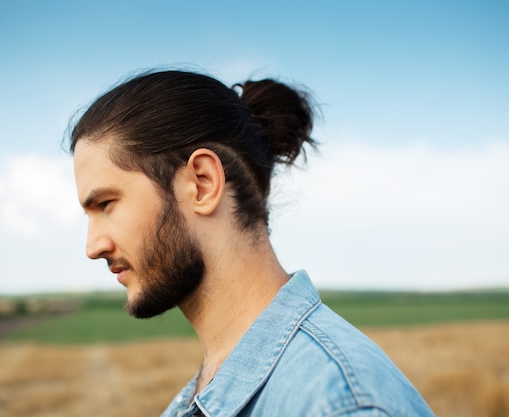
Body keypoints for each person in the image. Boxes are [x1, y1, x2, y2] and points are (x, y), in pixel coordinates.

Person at [69, 69, 435, 417]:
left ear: (202, 183)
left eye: (106, 204)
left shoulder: (340, 405)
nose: (92, 246)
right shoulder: (205, 392)